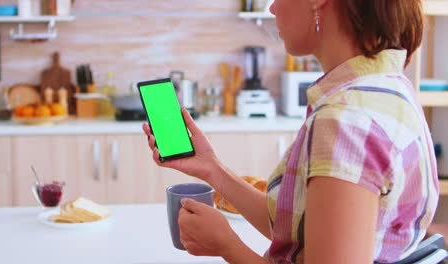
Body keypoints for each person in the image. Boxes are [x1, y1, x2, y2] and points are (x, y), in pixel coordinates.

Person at [142, 0, 440, 263]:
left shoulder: (346, 121)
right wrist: (212, 169)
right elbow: (297, 230)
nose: (272, 8)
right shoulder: (387, 86)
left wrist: (227, 246)